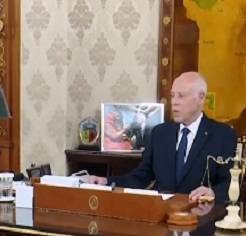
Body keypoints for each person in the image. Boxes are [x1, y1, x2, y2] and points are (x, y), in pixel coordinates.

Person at [89, 72, 237, 202]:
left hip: (201, 217)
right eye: (172, 95)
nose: (174, 102)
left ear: (201, 98)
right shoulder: (160, 133)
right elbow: (141, 176)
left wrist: (212, 193)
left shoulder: (222, 136)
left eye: (181, 96)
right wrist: (106, 181)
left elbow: (230, 183)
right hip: (162, 216)